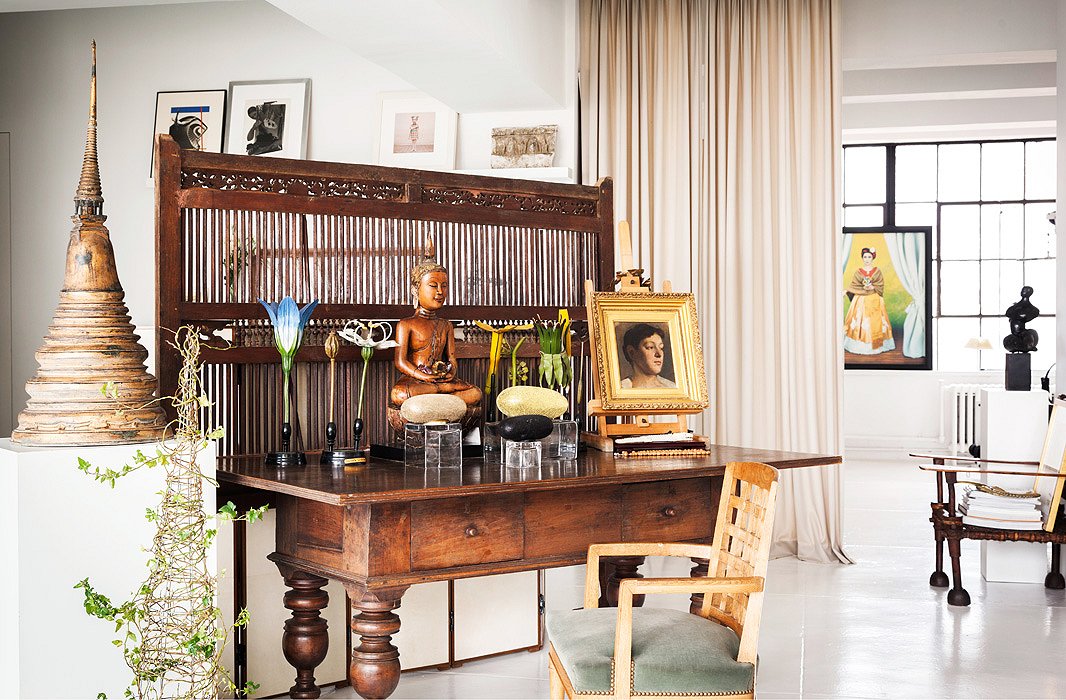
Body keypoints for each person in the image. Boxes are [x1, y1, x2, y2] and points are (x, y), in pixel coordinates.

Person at [388, 245, 482, 430]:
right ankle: (443, 393)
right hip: (416, 382)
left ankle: (441, 392)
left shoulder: (446, 325)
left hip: (440, 380)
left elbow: (452, 360)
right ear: (416, 289)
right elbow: (400, 362)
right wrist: (421, 375)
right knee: (398, 394)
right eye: (433, 285)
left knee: (475, 393)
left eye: (444, 286)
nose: (440, 291)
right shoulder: (406, 324)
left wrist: (449, 373)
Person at [843, 246, 896, 354]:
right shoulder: (858, 272)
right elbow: (854, 285)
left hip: (874, 299)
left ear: (873, 258)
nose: (867, 259)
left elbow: (880, 285)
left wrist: (873, 287)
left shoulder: (877, 271)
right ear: (862, 258)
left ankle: (877, 343)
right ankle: (860, 343)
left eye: (869, 257)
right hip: (861, 300)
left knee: (876, 320)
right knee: (860, 319)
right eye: (865, 257)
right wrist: (847, 290)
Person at [620, 323, 676, 388]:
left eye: (661, 348)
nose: (659, 354)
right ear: (631, 352)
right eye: (650, 347)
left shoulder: (671, 387)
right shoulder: (622, 388)